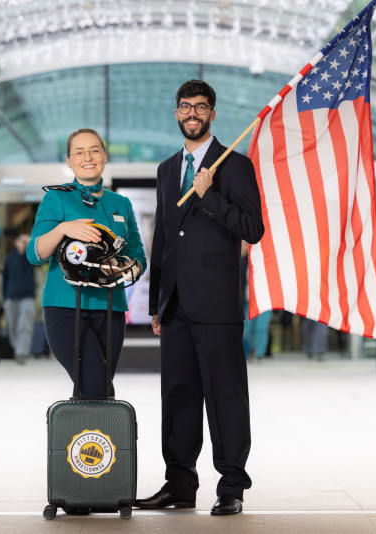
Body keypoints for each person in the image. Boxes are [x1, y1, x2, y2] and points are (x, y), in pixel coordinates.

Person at [138, 80, 264, 516]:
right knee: (178, 397)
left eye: (201, 107)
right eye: (185, 106)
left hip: (217, 305)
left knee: (226, 397)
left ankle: (231, 485)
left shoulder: (235, 165)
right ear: (176, 112)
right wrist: (156, 303)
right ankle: (179, 484)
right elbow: (163, 240)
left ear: (212, 113)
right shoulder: (167, 169)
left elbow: (253, 229)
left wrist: (210, 195)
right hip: (175, 306)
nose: (192, 113)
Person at [26, 128, 146, 398]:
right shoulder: (56, 197)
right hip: (66, 307)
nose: (87, 157)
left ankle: (85, 428)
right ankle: (98, 427)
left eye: (94, 150)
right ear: (69, 161)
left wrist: (128, 268)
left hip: (112, 308)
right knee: (96, 386)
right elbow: (35, 253)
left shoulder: (121, 203)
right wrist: (63, 229)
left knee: (99, 389)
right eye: (79, 152)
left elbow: (138, 255)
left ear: (104, 155)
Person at [2, 233, 35, 363]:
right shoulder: (9, 258)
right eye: (21, 241)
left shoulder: (30, 257)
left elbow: (41, 259)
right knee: (12, 325)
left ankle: (22, 352)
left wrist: (30, 243)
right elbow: (5, 279)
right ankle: (17, 348)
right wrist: (4, 297)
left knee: (24, 325)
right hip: (11, 296)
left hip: (27, 296)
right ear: (16, 242)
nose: (23, 243)